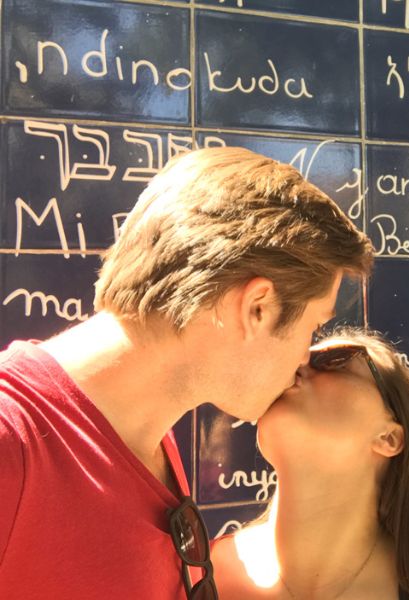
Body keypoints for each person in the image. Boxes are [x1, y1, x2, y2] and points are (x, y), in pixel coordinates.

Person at [0, 147, 373, 599]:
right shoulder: (13, 443)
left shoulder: (146, 433)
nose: (304, 359)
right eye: (313, 325)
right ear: (257, 308)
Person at [212, 328, 409, 600]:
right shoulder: (196, 572)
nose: (297, 366)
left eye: (333, 362)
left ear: (389, 437)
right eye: (293, 357)